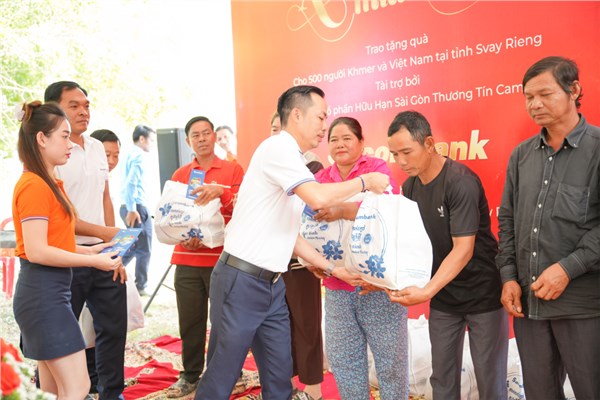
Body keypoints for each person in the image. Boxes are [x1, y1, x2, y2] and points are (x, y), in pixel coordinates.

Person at [194, 85, 390, 400]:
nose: (324, 126)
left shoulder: (295, 160)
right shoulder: (277, 148)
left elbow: (289, 234)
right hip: (241, 280)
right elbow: (318, 197)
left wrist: (333, 269)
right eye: (321, 117)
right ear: (297, 115)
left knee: (280, 379)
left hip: (272, 286)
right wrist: (365, 182)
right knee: (221, 377)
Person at [496, 56, 600, 400]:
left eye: (545, 94)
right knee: (540, 393)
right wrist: (509, 277)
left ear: (574, 90)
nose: (535, 104)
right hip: (529, 306)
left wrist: (568, 269)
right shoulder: (521, 156)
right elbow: (507, 220)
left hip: (583, 306)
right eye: (528, 97)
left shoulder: (597, 149)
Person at [386, 110, 508, 399]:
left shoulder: (459, 181)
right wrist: (380, 279)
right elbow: (408, 244)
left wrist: (427, 290)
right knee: (442, 377)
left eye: (406, 152)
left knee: (489, 377)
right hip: (444, 296)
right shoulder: (410, 187)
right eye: (395, 155)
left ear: (429, 143)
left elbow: (463, 249)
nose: (401, 161)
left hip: (483, 294)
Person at [12, 101, 120, 400]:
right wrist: (93, 262)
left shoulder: (49, 182)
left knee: (52, 391)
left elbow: (53, 242)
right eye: (64, 135)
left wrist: (91, 252)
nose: (71, 143)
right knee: (77, 387)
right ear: (41, 138)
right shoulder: (34, 185)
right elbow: (37, 251)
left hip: (49, 293)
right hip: (43, 296)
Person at [310, 116, 408, 400]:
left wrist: (341, 210)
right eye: (334, 139)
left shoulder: (376, 169)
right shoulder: (321, 179)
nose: (339, 144)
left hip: (376, 285)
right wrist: (314, 262)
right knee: (345, 361)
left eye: (347, 138)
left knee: (391, 362)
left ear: (362, 142)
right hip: (337, 286)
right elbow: (308, 223)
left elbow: (386, 208)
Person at [45, 81, 127, 400]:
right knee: (62, 335)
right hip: (67, 255)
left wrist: (115, 248)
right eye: (74, 105)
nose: (83, 111)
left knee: (114, 328)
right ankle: (58, 392)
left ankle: (111, 394)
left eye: (86, 105)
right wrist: (105, 234)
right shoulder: (50, 153)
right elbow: (60, 215)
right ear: (54, 109)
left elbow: (105, 198)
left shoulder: (95, 147)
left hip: (104, 253)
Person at [165, 116, 244, 398]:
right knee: (190, 322)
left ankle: (226, 373)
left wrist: (222, 193)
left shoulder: (233, 170)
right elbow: (171, 214)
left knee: (224, 322)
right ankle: (190, 375)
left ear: (215, 136)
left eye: (206, 133)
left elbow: (243, 210)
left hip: (222, 260)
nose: (201, 139)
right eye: (195, 135)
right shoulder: (180, 174)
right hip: (186, 259)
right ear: (188, 141)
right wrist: (184, 235)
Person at [120, 124, 156, 296]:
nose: (152, 144)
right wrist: (132, 208)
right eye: (151, 140)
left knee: (133, 245)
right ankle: (141, 285)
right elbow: (131, 183)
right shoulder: (139, 155)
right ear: (142, 139)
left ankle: (108, 270)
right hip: (135, 207)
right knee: (144, 248)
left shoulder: (127, 153)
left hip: (127, 205)